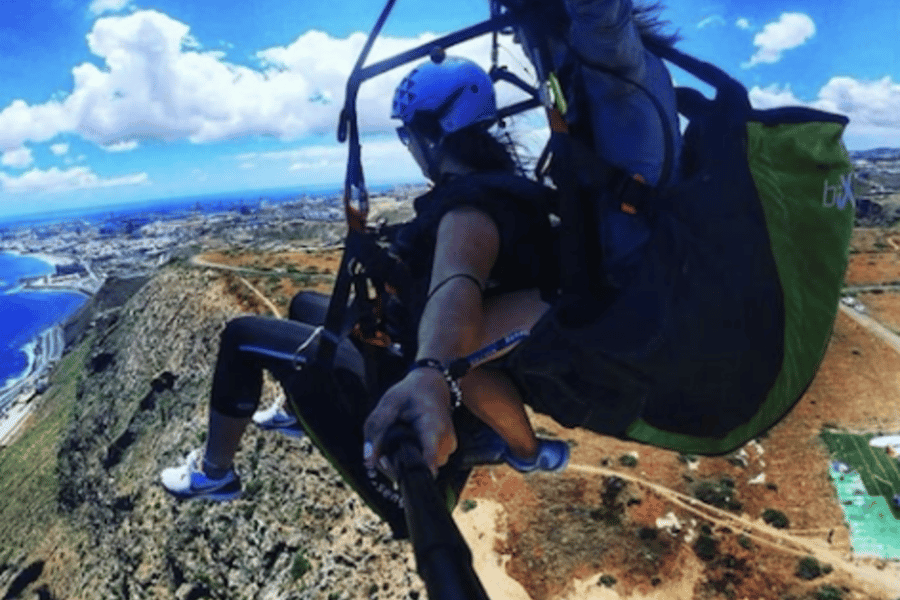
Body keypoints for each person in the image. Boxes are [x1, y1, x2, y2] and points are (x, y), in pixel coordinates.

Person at [159, 55, 570, 512]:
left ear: (432, 135)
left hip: (400, 368)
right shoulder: (499, 189)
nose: (408, 146)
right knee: (303, 304)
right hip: (405, 342)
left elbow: (459, 283)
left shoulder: (469, 211)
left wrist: (430, 369)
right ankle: (296, 413)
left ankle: (215, 473)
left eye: (406, 135)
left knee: (242, 337)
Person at [364, 0, 683, 477]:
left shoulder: (610, 59)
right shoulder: (586, 76)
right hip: (605, 275)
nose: (516, 39)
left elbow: (460, 276)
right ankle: (521, 445)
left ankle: (529, 453)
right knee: (447, 342)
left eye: (519, 21)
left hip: (622, 296)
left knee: (448, 354)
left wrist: (431, 368)